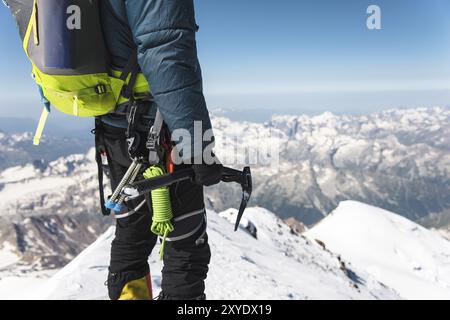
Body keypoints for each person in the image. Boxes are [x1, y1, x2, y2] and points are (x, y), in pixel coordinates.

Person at [96, 0, 223, 300]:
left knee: (132, 233)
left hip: (113, 129)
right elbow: (166, 53)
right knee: (186, 246)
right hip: (158, 133)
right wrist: (198, 147)